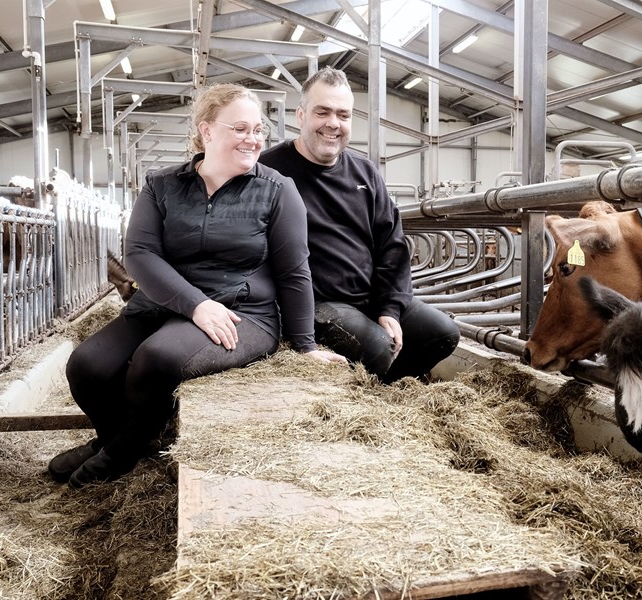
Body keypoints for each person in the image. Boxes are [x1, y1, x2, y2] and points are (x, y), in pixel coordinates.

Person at [48, 83, 345, 489]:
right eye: (240, 128)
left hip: (242, 314)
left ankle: (116, 456)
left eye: (258, 129)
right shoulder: (163, 185)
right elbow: (139, 253)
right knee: (87, 366)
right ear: (206, 131)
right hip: (161, 305)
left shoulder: (277, 190)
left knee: (157, 358)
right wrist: (195, 305)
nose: (253, 138)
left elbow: (294, 271)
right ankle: (117, 439)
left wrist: (306, 345)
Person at [259, 67, 460, 384]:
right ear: (300, 115)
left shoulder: (365, 173)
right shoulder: (268, 171)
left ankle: (381, 389)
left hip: (368, 299)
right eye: (322, 111)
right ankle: (367, 389)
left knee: (443, 332)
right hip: (316, 304)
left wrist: (389, 309)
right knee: (377, 347)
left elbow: (392, 247)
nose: (333, 124)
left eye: (343, 114)